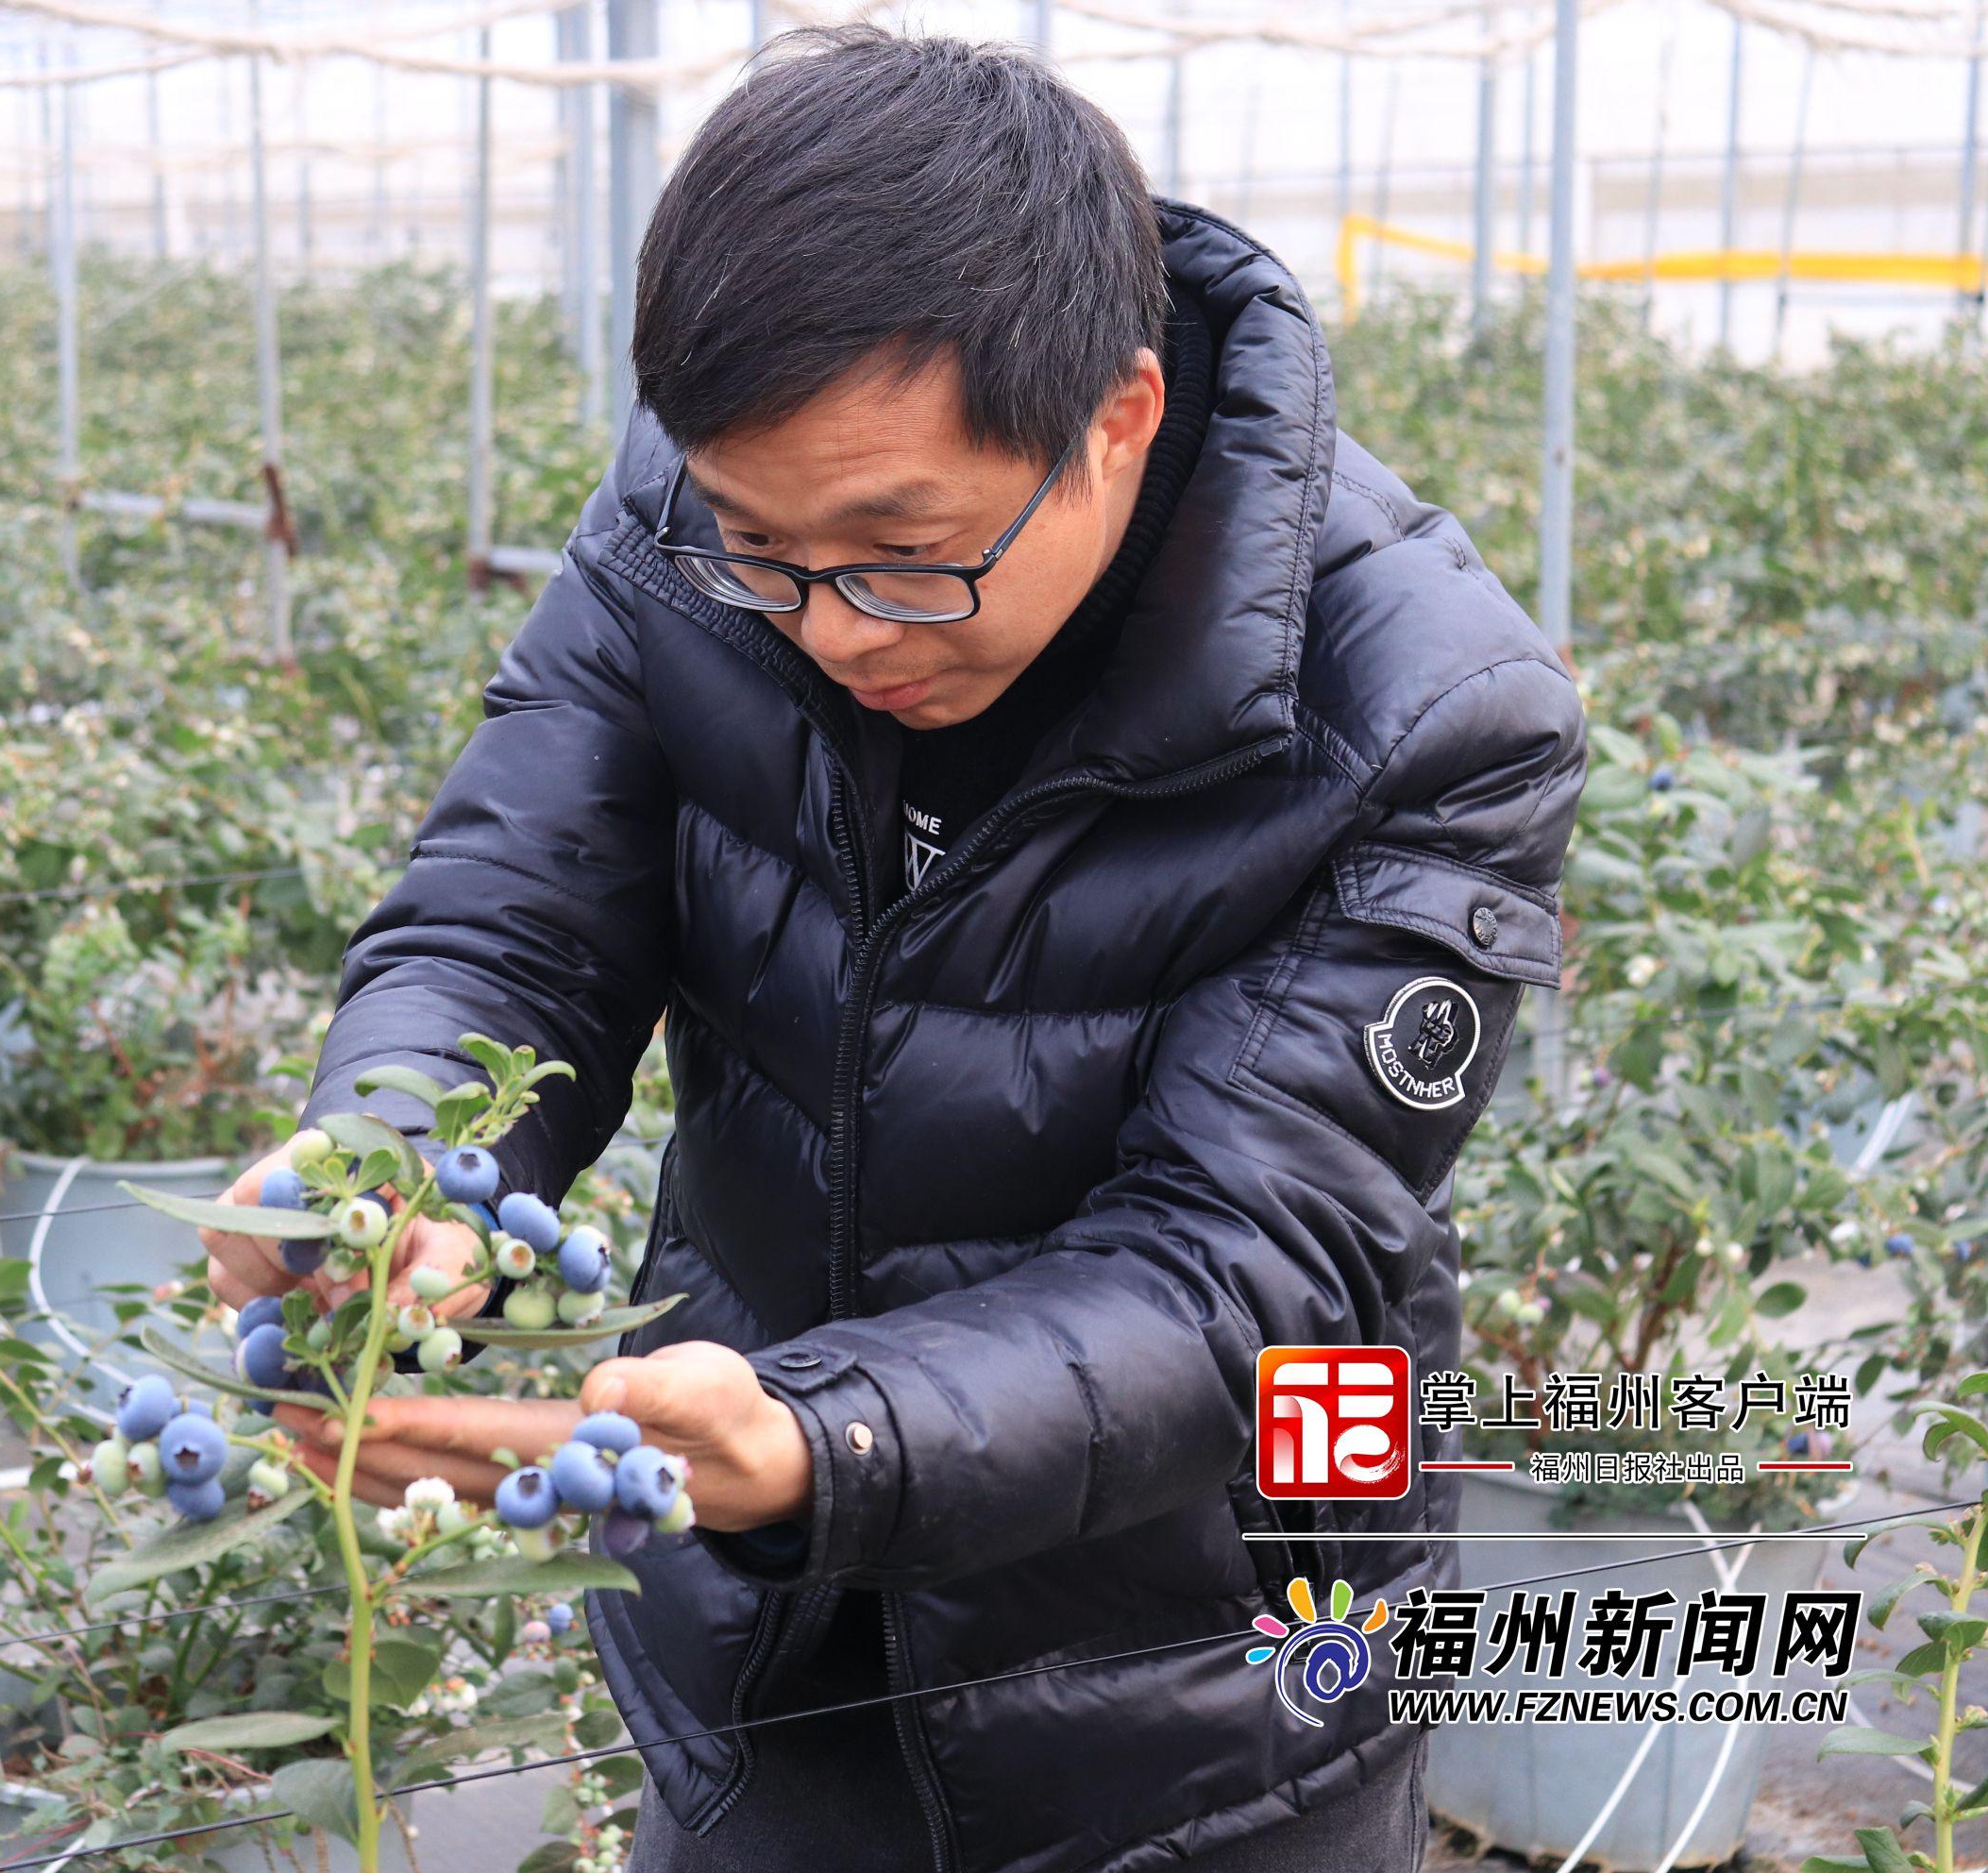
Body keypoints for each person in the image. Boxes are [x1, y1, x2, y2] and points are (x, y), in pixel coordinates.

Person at [202, 26, 1585, 1873]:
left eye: (902, 553)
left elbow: (1241, 1263)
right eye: (767, 550)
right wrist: (392, 1159)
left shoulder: (1418, 709)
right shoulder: (686, 536)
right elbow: (510, 921)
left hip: (1196, 1701)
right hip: (758, 1636)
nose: (837, 624)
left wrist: (825, 1435)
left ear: (1120, 413)